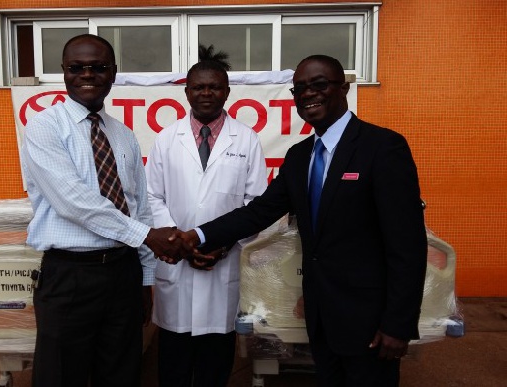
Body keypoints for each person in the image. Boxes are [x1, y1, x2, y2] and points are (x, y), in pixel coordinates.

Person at [174, 55, 428, 386]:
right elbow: (258, 212)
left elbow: (407, 244)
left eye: (320, 84)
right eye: (300, 88)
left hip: (370, 320)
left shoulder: (382, 147)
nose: (309, 94)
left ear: (344, 88)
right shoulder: (299, 156)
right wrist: (198, 235)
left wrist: (398, 323)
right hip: (320, 318)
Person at [22, 34, 181, 387]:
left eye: (99, 67)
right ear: (63, 72)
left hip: (123, 275)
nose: (88, 75)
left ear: (113, 73)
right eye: (77, 68)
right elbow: (73, 200)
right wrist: (147, 238)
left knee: (122, 372)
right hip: (69, 276)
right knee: (62, 376)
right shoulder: (44, 126)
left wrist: (145, 279)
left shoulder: (123, 135)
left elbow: (139, 208)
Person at [145, 56, 267, 387]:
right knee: (173, 364)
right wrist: (180, 244)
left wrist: (222, 244)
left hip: (222, 266)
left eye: (214, 87)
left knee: (215, 367)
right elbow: (152, 197)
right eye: (198, 87)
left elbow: (256, 204)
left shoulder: (246, 139)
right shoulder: (167, 139)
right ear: (186, 92)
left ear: (227, 92)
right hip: (176, 264)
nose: (206, 93)